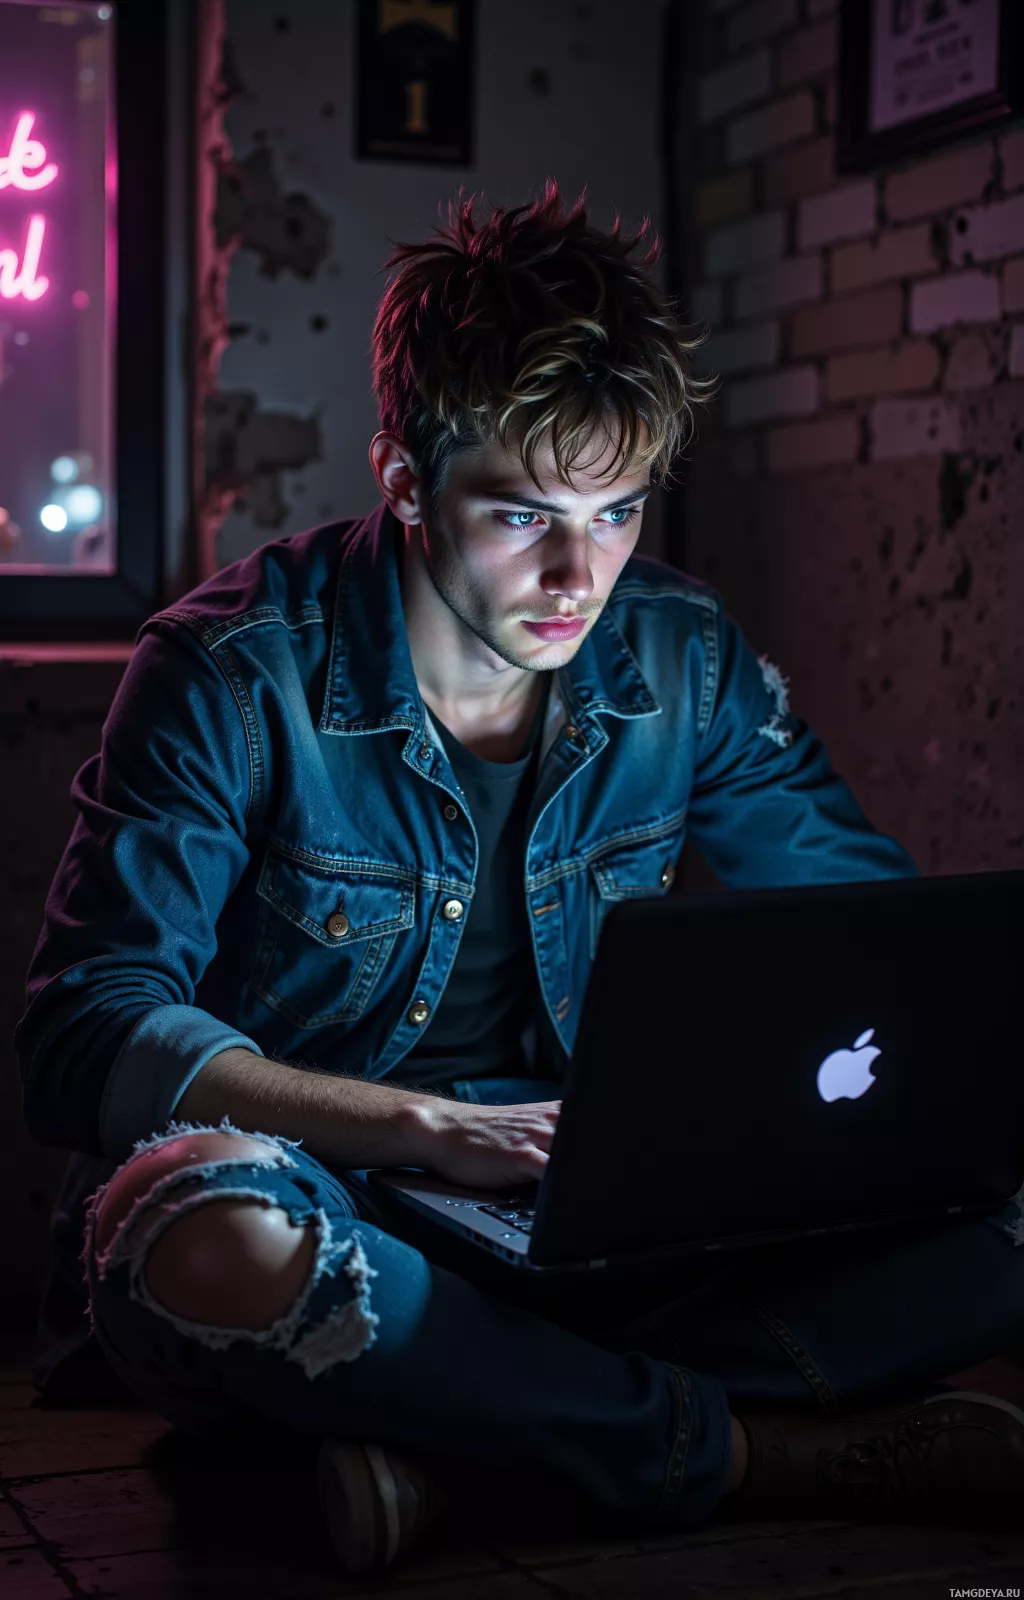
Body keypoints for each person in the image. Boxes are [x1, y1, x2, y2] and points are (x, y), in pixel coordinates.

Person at [16, 183, 1024, 1577]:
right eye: (522, 514)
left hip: (601, 1219)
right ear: (404, 479)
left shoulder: (683, 655)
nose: (579, 574)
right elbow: (82, 1034)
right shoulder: (232, 671)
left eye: (617, 512)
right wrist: (422, 1127)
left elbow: (873, 945)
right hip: (343, 1201)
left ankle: (476, 1439)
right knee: (202, 1235)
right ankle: (742, 1450)